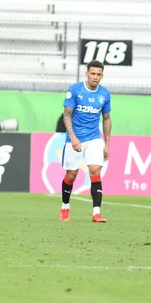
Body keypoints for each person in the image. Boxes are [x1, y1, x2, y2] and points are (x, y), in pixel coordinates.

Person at [59, 60, 112, 223]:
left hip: (94, 138)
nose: (95, 77)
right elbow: (67, 115)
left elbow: (107, 119)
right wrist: (73, 137)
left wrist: (107, 144)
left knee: (95, 170)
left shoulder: (104, 94)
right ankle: (65, 207)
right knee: (71, 175)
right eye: (92, 73)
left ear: (102, 76)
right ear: (86, 74)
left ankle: (96, 213)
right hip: (74, 138)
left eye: (98, 74)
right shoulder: (75, 90)